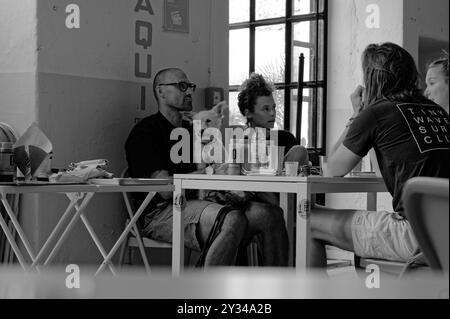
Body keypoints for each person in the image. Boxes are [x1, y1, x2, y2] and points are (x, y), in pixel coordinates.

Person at [125, 68, 288, 266]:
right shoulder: (146, 131)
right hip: (161, 213)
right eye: (181, 86)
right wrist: (209, 172)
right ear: (161, 92)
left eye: (190, 87)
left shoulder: (196, 130)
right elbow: (165, 190)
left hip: (204, 202)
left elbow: (222, 165)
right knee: (232, 218)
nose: (188, 92)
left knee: (271, 215)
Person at [308, 43, 449, 268]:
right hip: (444, 234)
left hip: (417, 236)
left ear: (372, 79)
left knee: (308, 218)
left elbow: (332, 169)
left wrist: (357, 114)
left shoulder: (377, 113)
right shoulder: (438, 112)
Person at [238, 73, 309, 166]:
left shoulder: (286, 139)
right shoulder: (239, 142)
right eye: (266, 109)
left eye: (273, 107)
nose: (272, 113)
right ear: (248, 113)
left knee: (299, 151)